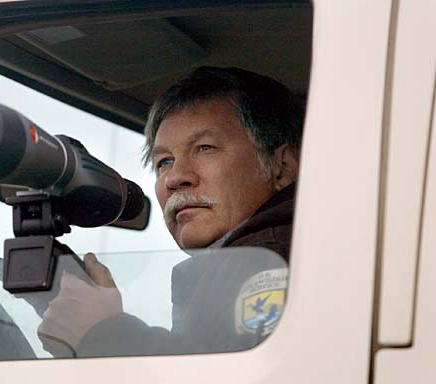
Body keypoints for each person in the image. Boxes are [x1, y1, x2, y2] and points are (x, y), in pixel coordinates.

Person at [37, 66, 304, 357]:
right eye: (164, 161)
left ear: (282, 167)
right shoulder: (246, 262)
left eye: (205, 148)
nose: (175, 178)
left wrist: (104, 335)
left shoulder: (270, 260)